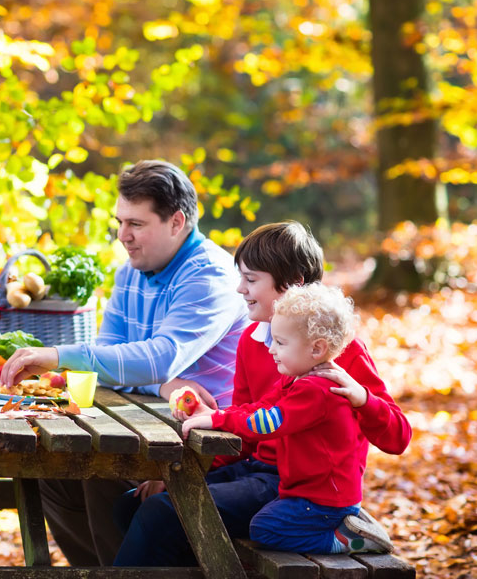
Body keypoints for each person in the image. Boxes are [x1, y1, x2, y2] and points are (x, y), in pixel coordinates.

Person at [113, 221, 411, 566]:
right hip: (254, 470)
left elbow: (398, 437)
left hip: (297, 488)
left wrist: (362, 397)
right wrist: (183, 471)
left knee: (162, 513)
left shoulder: (339, 353)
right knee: (133, 503)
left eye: (251, 279)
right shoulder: (252, 340)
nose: (239, 289)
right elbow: (243, 431)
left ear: (293, 284)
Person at [0, 160, 250, 565]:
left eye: (136, 223)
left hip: (214, 447)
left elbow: (161, 357)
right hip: (154, 429)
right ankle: (103, 571)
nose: (123, 236)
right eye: (119, 222)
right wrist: (161, 382)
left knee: (101, 471)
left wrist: (60, 357)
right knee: (49, 470)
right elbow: (112, 361)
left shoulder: (210, 277)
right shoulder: (131, 273)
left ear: (176, 222)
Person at [179, 282, 394, 554]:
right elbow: (259, 407)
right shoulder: (296, 379)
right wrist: (216, 414)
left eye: (280, 343)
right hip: (307, 492)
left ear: (316, 349)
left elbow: (268, 422)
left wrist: (218, 421)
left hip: (324, 498)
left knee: (264, 528)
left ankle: (346, 539)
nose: (271, 350)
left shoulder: (316, 389)